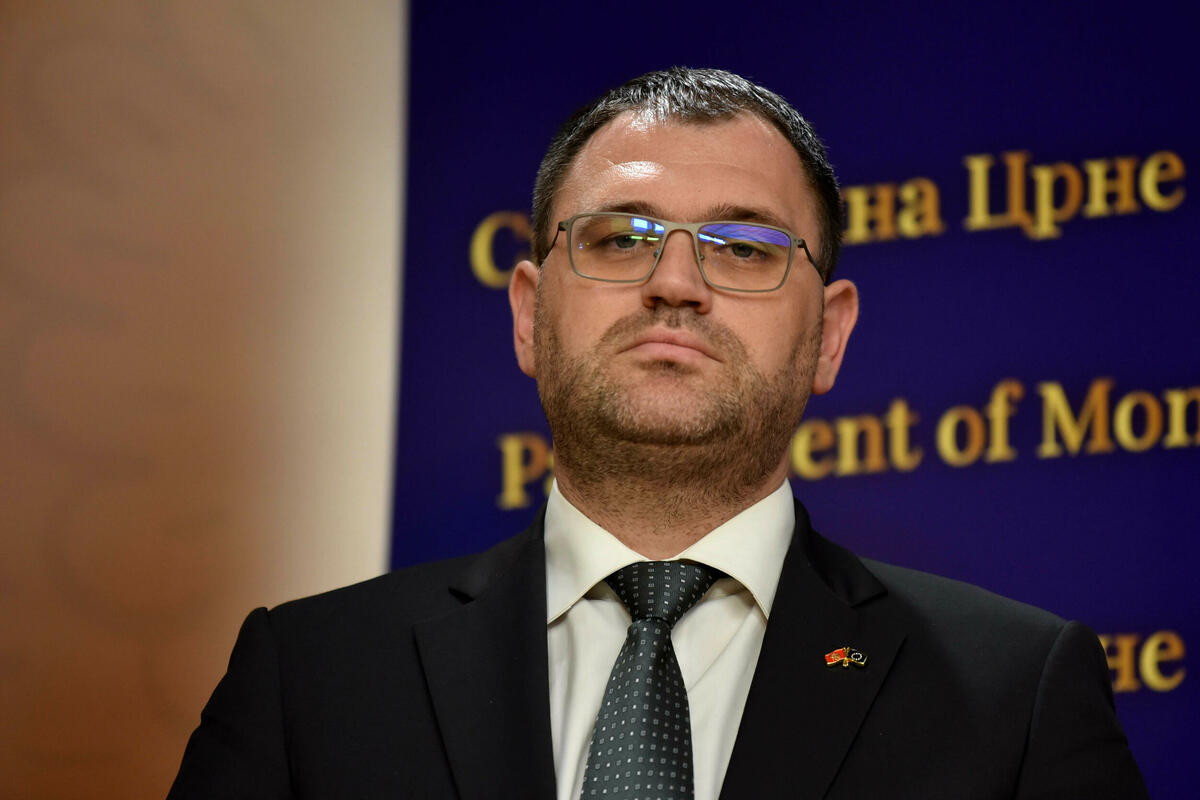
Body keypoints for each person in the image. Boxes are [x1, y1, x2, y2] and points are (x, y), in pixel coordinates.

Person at [168, 67, 1148, 799]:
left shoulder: (1015, 693)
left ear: (830, 335)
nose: (675, 283)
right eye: (618, 238)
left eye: (746, 248)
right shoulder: (311, 676)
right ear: (528, 313)